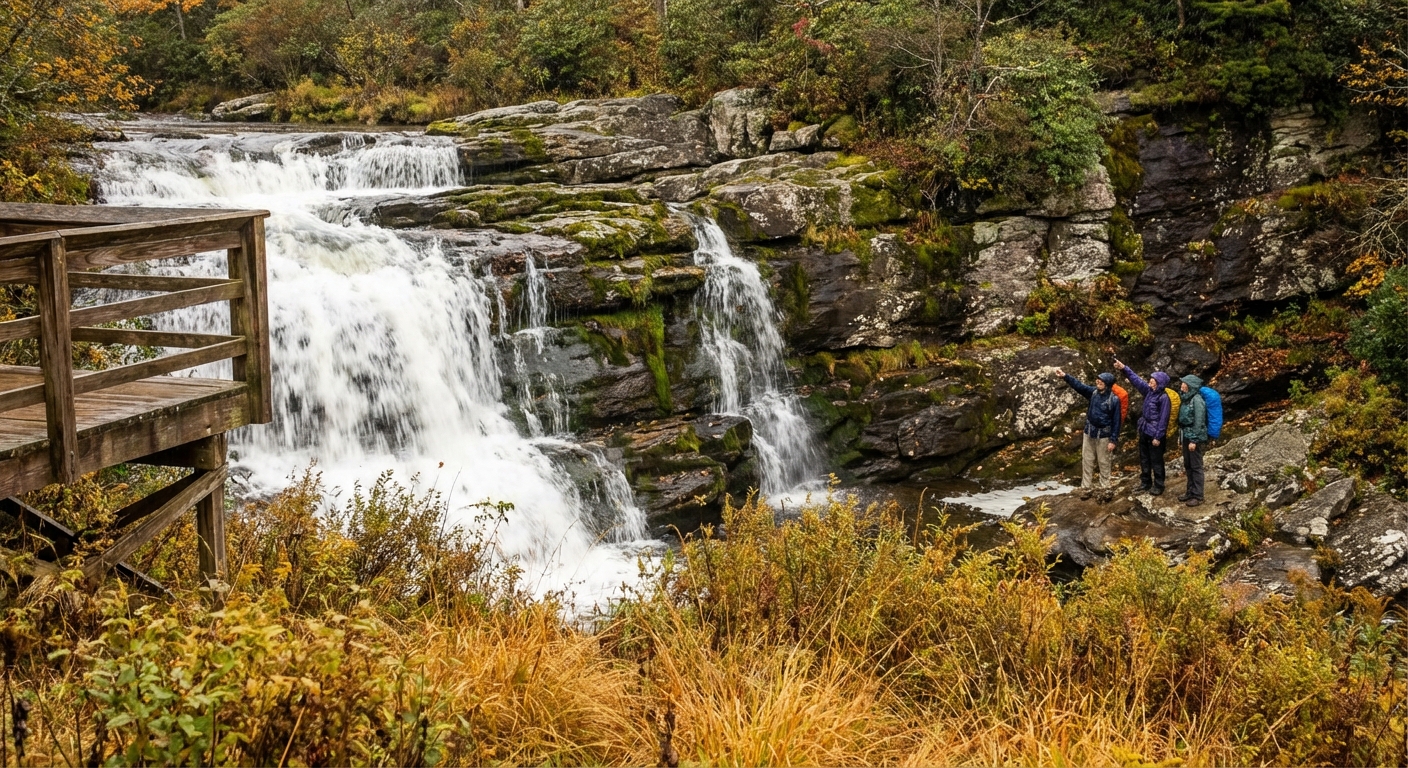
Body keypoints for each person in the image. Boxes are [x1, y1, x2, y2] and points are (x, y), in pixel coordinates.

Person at [1055, 368, 1122, 501]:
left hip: (1104, 436)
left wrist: (1113, 440)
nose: (1098, 381)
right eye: (1098, 379)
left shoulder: (1114, 400)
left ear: (1107, 384)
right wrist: (1065, 376)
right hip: (1089, 432)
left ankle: (1104, 488)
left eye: (1101, 380)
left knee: (1104, 462)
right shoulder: (1093, 393)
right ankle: (1085, 487)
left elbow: (1117, 421)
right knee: (1087, 460)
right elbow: (1079, 386)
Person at [1114, 358, 1171, 496]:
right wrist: (1124, 368)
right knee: (1144, 458)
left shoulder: (1164, 398)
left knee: (1156, 460)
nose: (1150, 382)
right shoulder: (1149, 392)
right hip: (1144, 430)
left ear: (1160, 383)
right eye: (1151, 379)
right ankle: (1145, 483)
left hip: (1155, 433)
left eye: (1153, 380)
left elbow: (1164, 420)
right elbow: (1136, 380)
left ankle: (1159, 485)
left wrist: (1158, 437)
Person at [1176, 374, 1208, 507]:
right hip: (1185, 434)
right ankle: (1190, 491)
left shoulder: (1197, 400)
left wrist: (1194, 440)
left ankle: (1198, 495)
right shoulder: (1185, 399)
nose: (1181, 385)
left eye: (1184, 383)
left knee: (1196, 466)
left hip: (1193, 436)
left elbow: (1199, 422)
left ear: (1190, 386)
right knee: (1188, 465)